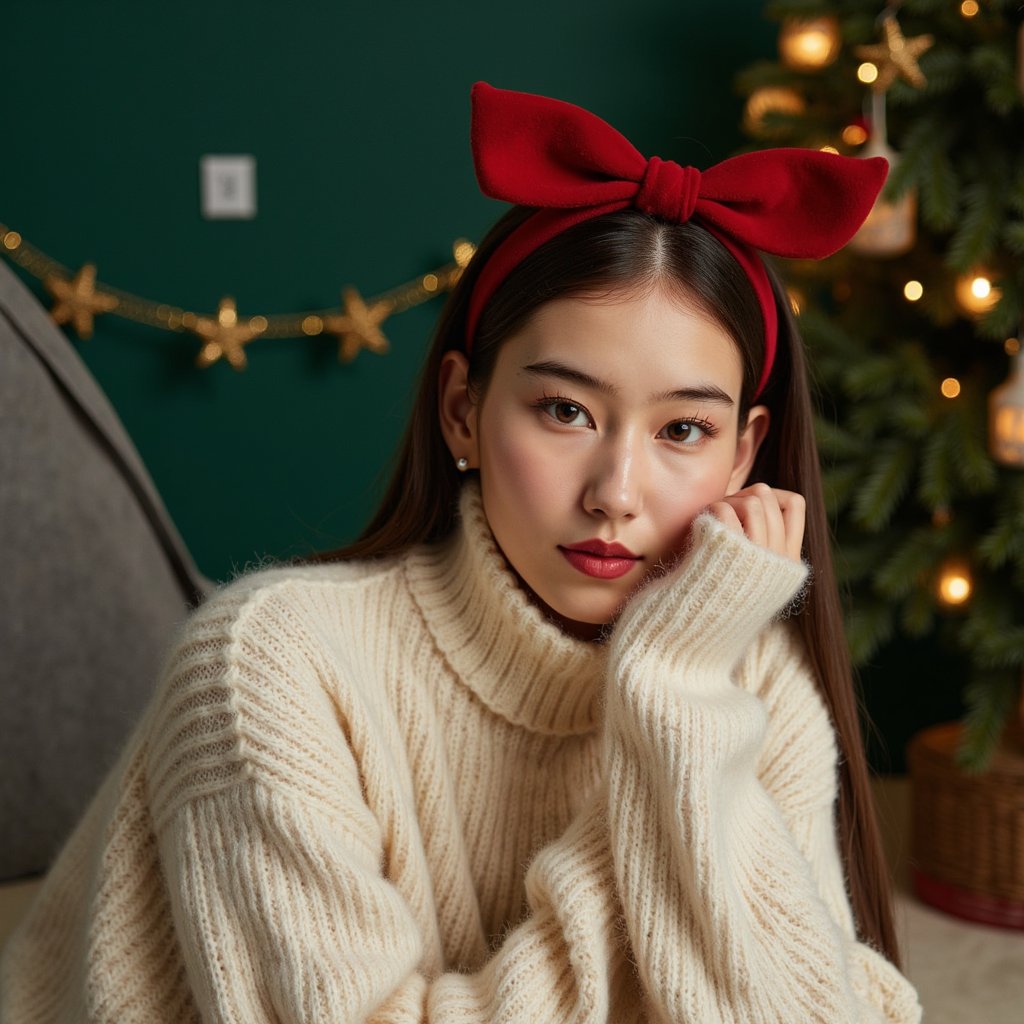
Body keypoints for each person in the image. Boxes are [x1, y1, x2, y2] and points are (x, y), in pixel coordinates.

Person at [0, 83, 922, 1022]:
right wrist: (672, 719)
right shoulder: (265, 666)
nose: (616, 492)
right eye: (565, 410)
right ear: (461, 410)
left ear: (745, 453)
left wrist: (684, 693)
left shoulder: (742, 674)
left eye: (683, 429)